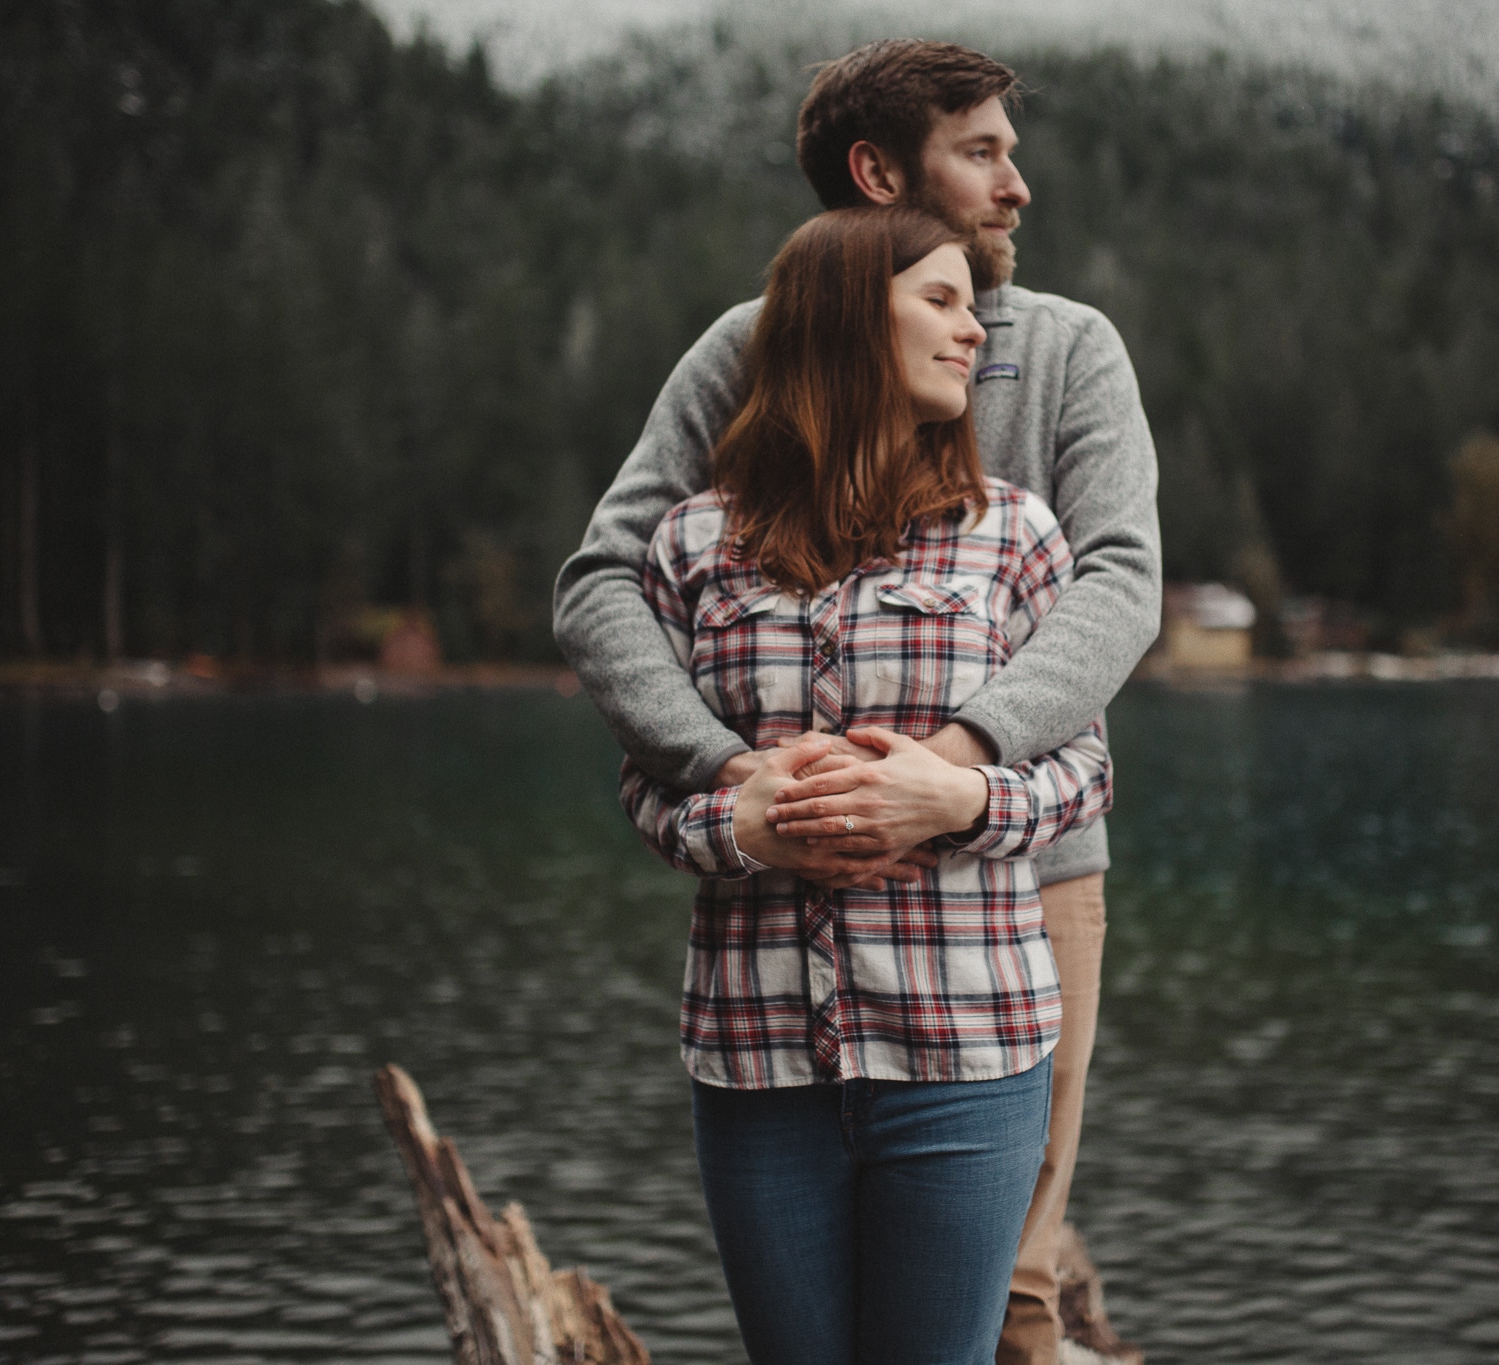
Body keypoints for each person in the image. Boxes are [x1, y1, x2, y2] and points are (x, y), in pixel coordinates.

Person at [554, 40, 1160, 1365]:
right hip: (772, 938)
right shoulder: (751, 352)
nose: (1019, 185)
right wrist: (730, 776)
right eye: (982, 151)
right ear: (883, 173)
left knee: (1020, 1285)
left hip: (1027, 873)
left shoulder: (1067, 350)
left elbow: (1121, 586)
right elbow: (606, 581)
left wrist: (948, 764)